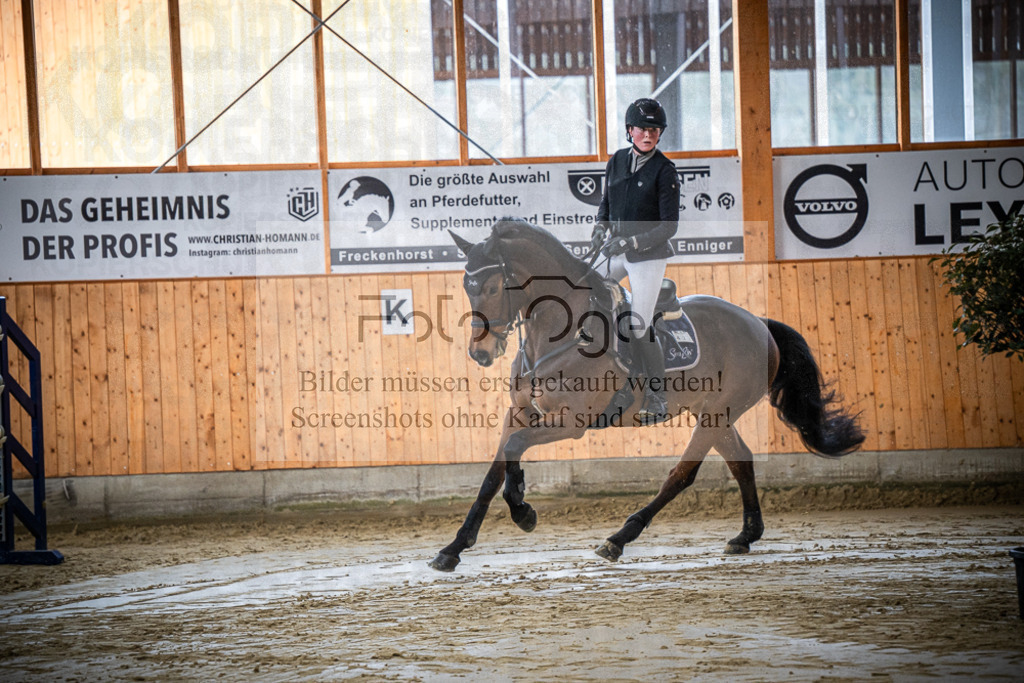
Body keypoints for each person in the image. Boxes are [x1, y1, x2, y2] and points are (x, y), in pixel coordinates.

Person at [592, 97, 679, 423]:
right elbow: (606, 204)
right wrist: (599, 229)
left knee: (640, 324)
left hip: (647, 257)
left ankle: (657, 396)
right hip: (616, 250)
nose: (648, 134)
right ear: (630, 130)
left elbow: (669, 227)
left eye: (654, 130)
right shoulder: (616, 161)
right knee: (586, 289)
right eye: (642, 129)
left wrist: (632, 241)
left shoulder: (665, 171)